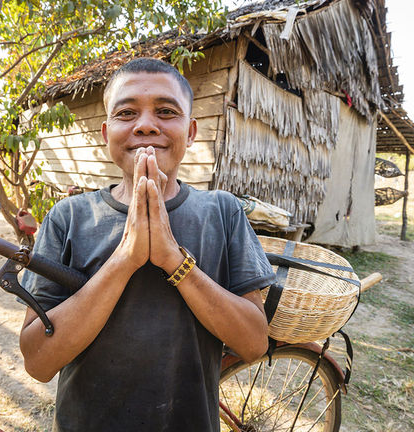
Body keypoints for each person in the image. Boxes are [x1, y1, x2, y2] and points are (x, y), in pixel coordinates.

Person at [19, 58, 275, 432]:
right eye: (127, 113)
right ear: (106, 133)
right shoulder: (68, 217)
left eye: (166, 111)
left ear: (190, 132)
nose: (145, 125)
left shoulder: (221, 211)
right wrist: (125, 258)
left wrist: (173, 260)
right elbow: (38, 363)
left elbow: (254, 343)